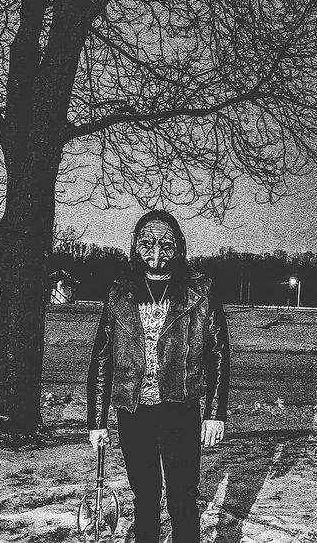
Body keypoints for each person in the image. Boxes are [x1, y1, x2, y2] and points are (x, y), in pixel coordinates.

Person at [87, 210, 231, 543]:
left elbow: (219, 355)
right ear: (134, 245)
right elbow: (102, 357)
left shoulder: (200, 291)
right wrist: (97, 421)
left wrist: (215, 413)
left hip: (180, 408)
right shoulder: (119, 293)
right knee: (145, 497)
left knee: (183, 498)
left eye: (165, 244)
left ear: (179, 245)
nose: (156, 253)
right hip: (133, 411)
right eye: (147, 243)